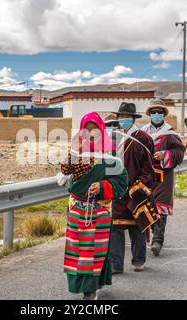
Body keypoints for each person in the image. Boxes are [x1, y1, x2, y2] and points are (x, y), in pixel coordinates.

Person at [61, 112, 128, 300]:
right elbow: (66, 174)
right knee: (78, 251)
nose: (91, 133)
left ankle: (90, 290)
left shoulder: (111, 153)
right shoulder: (76, 151)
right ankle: (84, 286)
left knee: (94, 251)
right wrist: (73, 152)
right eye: (87, 129)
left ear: (101, 129)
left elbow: (122, 182)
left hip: (100, 210)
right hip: (76, 209)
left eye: (95, 129)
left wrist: (102, 186)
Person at [108, 102, 157, 274]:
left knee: (136, 226)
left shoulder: (143, 138)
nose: (124, 120)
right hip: (117, 189)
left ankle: (138, 260)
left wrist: (141, 184)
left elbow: (149, 166)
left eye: (127, 117)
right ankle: (116, 264)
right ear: (118, 118)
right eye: (121, 117)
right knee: (115, 227)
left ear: (133, 118)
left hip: (135, 189)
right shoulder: (113, 137)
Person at [141, 99, 185, 256]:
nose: (156, 115)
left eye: (159, 112)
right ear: (150, 115)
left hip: (164, 176)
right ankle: (152, 233)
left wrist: (165, 154)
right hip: (146, 176)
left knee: (160, 207)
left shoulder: (170, 133)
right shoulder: (143, 132)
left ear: (164, 114)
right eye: (154, 112)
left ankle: (157, 240)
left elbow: (180, 152)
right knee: (148, 206)